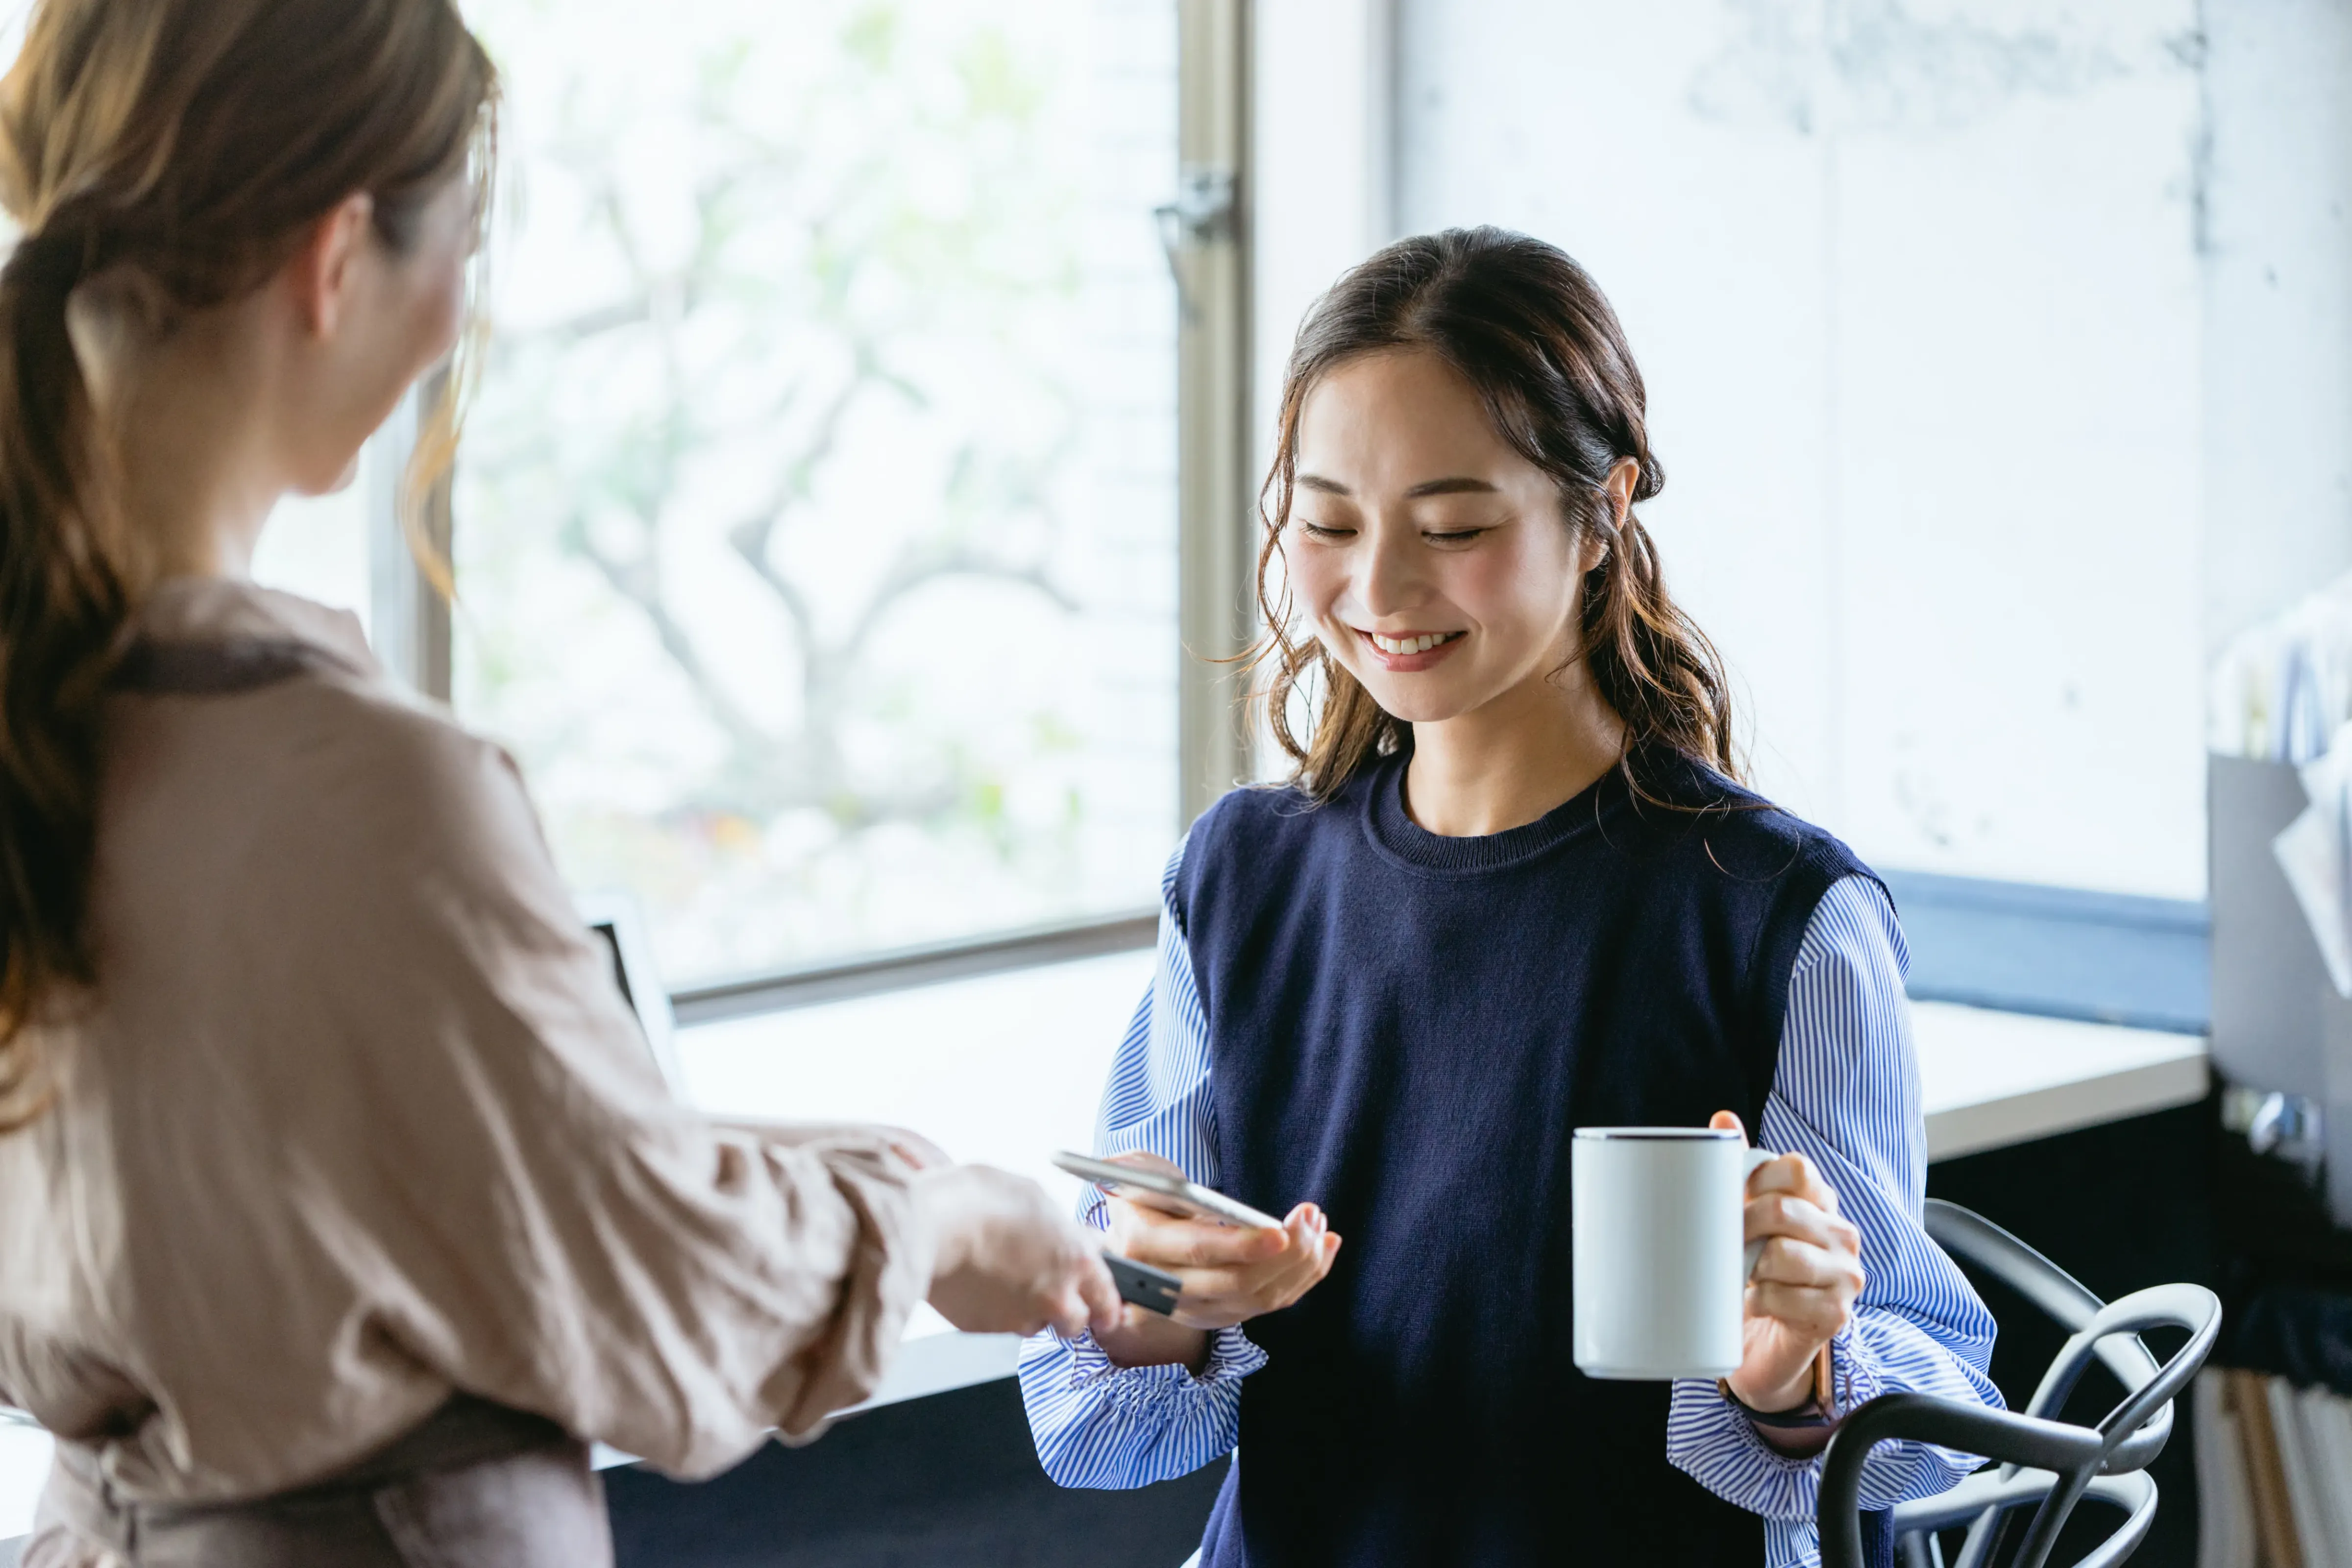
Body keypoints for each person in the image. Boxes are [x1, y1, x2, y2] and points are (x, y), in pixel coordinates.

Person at [0, 4, 1119, 1565]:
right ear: (336, 258)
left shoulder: (64, 726)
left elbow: (354, 1172)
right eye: (460, 243)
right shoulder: (355, 787)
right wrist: (938, 1226)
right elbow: (655, 1295)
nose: (460, 315)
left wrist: (858, 1171)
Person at [1019, 228, 2003, 1566]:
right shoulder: (1237, 882)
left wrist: (1792, 1379)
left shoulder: (1774, 913)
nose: (1375, 590)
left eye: (1454, 528)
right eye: (1327, 523)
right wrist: (1151, 1297)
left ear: (1604, 513)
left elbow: (1936, 1399)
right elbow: (1102, 1422)